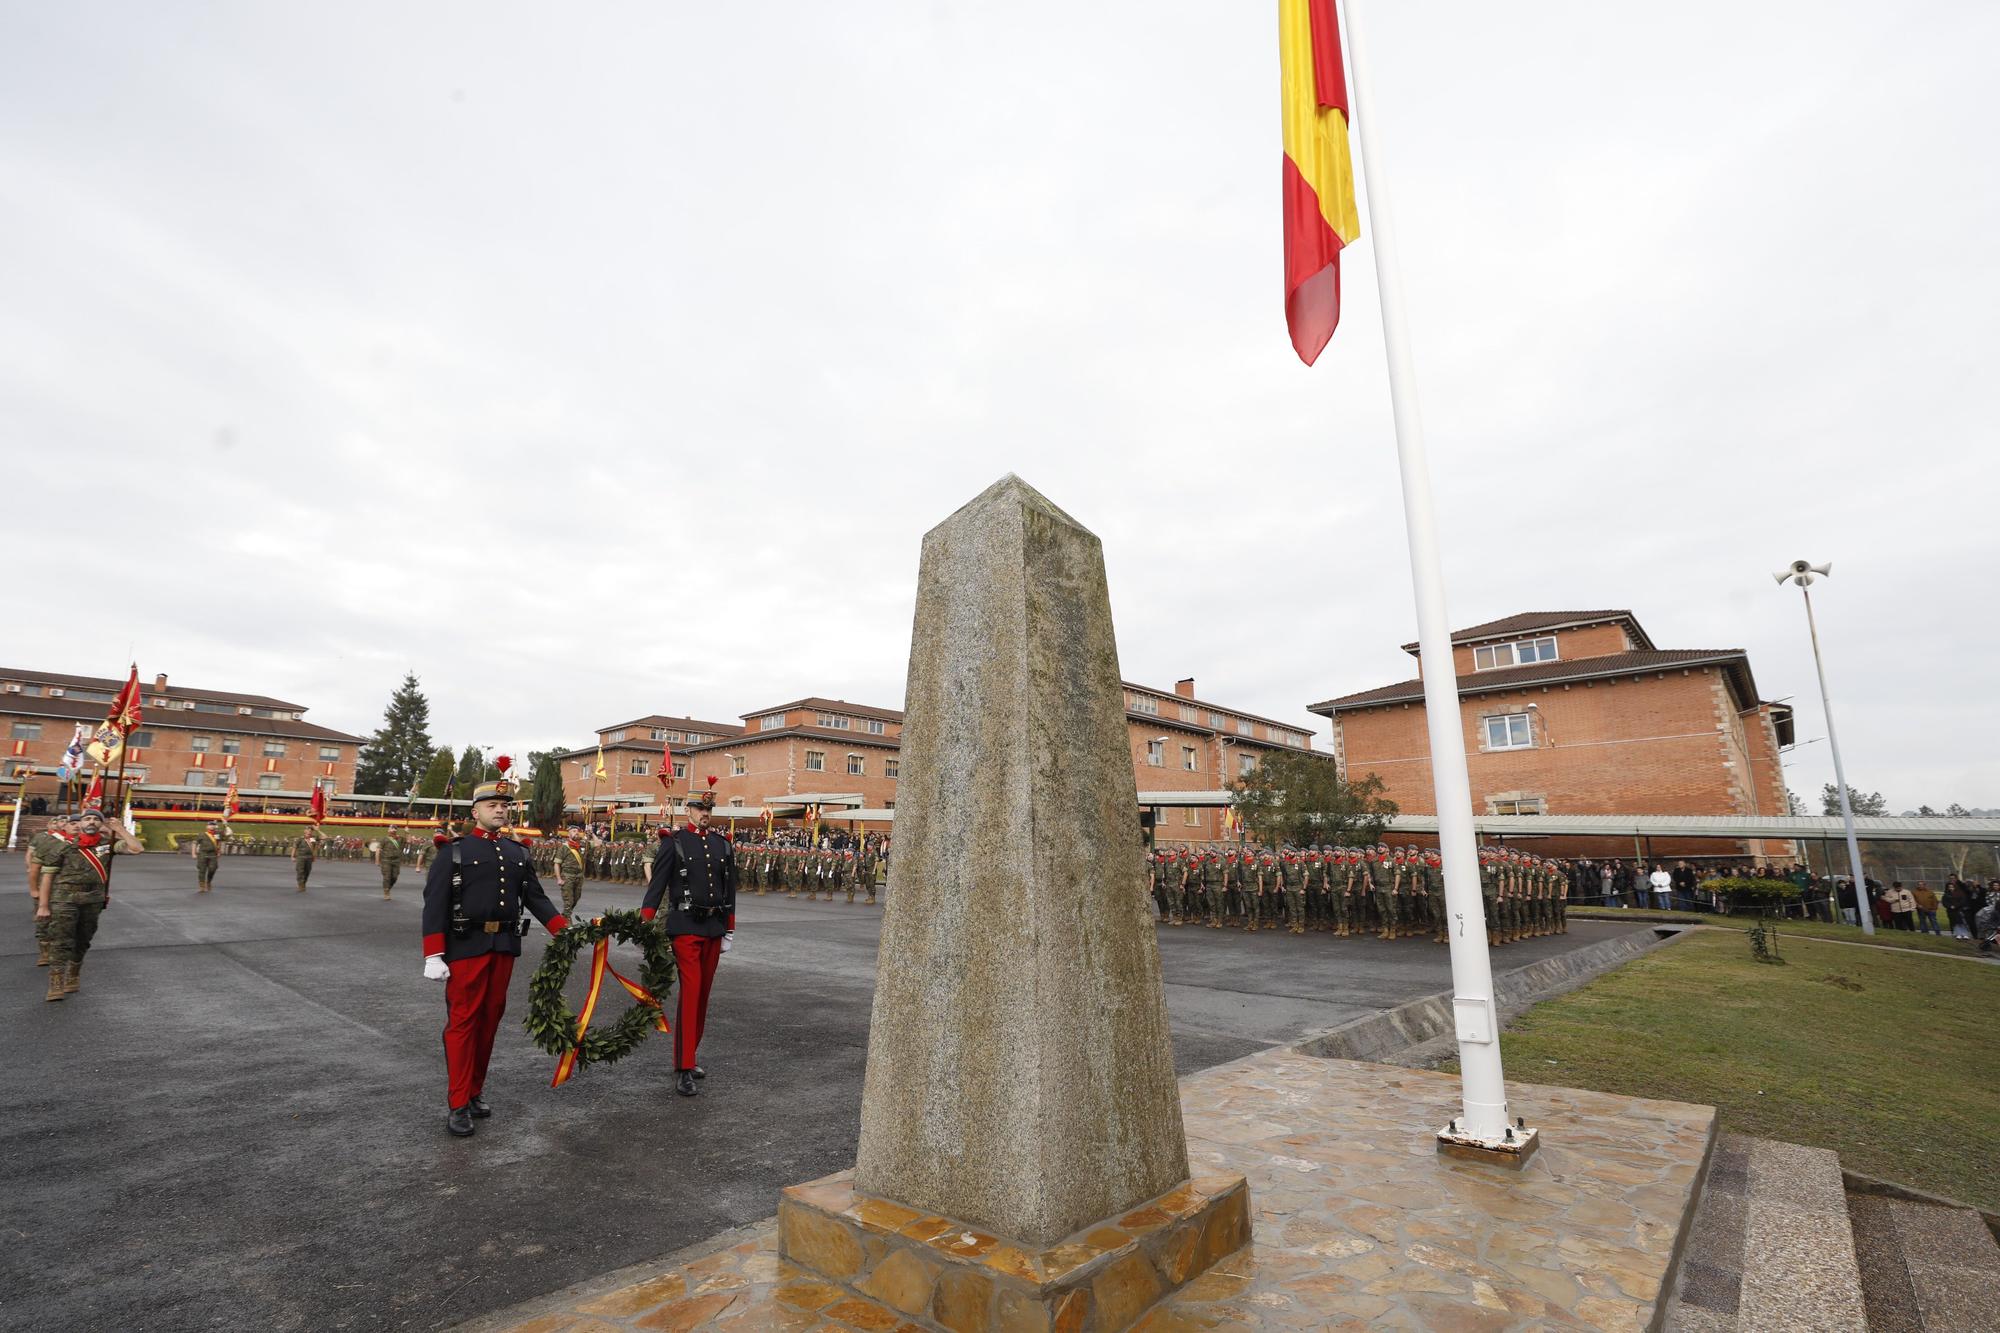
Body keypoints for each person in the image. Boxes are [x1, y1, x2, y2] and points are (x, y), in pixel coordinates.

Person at [421, 770, 568, 1137]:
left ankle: (474, 1091)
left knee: (489, 1022)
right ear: (475, 812)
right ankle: (457, 1102)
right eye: (493, 805)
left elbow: (535, 897)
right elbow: (434, 903)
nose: (501, 810)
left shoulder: (516, 851)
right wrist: (433, 954)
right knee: (463, 1023)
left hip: (503, 946)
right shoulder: (453, 851)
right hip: (465, 947)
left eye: (505, 805)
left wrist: (564, 932)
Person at [642, 778, 736, 1097]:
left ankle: (690, 1055)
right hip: (684, 926)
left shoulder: (723, 844)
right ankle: (683, 1067)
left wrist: (730, 928)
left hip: (713, 927)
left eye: (708, 808)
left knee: (703, 995)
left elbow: (729, 889)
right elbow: (656, 887)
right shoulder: (674, 842)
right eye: (699, 807)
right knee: (691, 992)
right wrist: (644, 920)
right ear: (688, 810)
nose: (705, 813)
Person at [33, 800, 142, 1000]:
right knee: (61, 940)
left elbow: (136, 848)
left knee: (83, 939)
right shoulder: (63, 846)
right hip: (65, 898)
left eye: (96, 819)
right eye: (87, 818)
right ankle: (56, 981)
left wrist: (119, 829)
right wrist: (43, 906)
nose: (91, 821)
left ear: (101, 824)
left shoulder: (108, 846)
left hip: (93, 900)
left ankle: (73, 973)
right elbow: (47, 876)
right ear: (80, 823)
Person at [26, 813, 73, 968]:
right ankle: (44, 952)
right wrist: (34, 889)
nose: (64, 823)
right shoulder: (45, 839)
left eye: (68, 821)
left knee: (64, 921)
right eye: (61, 821)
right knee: (43, 920)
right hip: (46, 883)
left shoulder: (75, 842)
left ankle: (59, 950)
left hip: (66, 888)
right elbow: (33, 865)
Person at [553, 824, 586, 915]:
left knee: (576, 898)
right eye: (574, 831)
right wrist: (559, 878)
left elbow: (598, 843)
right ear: (569, 834)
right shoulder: (564, 847)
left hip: (579, 876)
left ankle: (565, 916)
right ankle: (566, 921)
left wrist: (592, 833)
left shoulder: (581, 845)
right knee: (568, 901)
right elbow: (556, 864)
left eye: (577, 831)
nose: (576, 833)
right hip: (567, 876)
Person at [190, 820, 224, 893]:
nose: (211, 826)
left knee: (213, 869)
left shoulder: (217, 834)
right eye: (210, 825)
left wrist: (219, 851)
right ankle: (202, 885)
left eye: (213, 825)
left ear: (215, 826)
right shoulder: (202, 834)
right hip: (203, 854)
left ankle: (208, 882)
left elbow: (219, 842)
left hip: (213, 854)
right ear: (207, 826)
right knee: (202, 870)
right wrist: (193, 853)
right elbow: (194, 843)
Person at [374, 826, 405, 900]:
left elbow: (409, 841)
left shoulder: (400, 839)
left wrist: (407, 832)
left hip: (396, 861)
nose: (393, 830)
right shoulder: (384, 839)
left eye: (395, 829)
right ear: (388, 830)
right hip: (386, 860)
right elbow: (378, 849)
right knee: (387, 877)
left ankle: (388, 887)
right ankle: (386, 892)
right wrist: (377, 861)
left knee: (395, 877)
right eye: (391, 829)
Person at [293, 828, 319, 893]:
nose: (309, 834)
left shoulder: (313, 839)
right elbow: (294, 847)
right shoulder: (300, 839)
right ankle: (300, 885)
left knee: (307, 872)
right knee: (300, 871)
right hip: (301, 857)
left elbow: (325, 837)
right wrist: (292, 856)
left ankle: (303, 883)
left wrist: (318, 830)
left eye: (310, 833)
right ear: (304, 833)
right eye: (308, 833)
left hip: (309, 858)